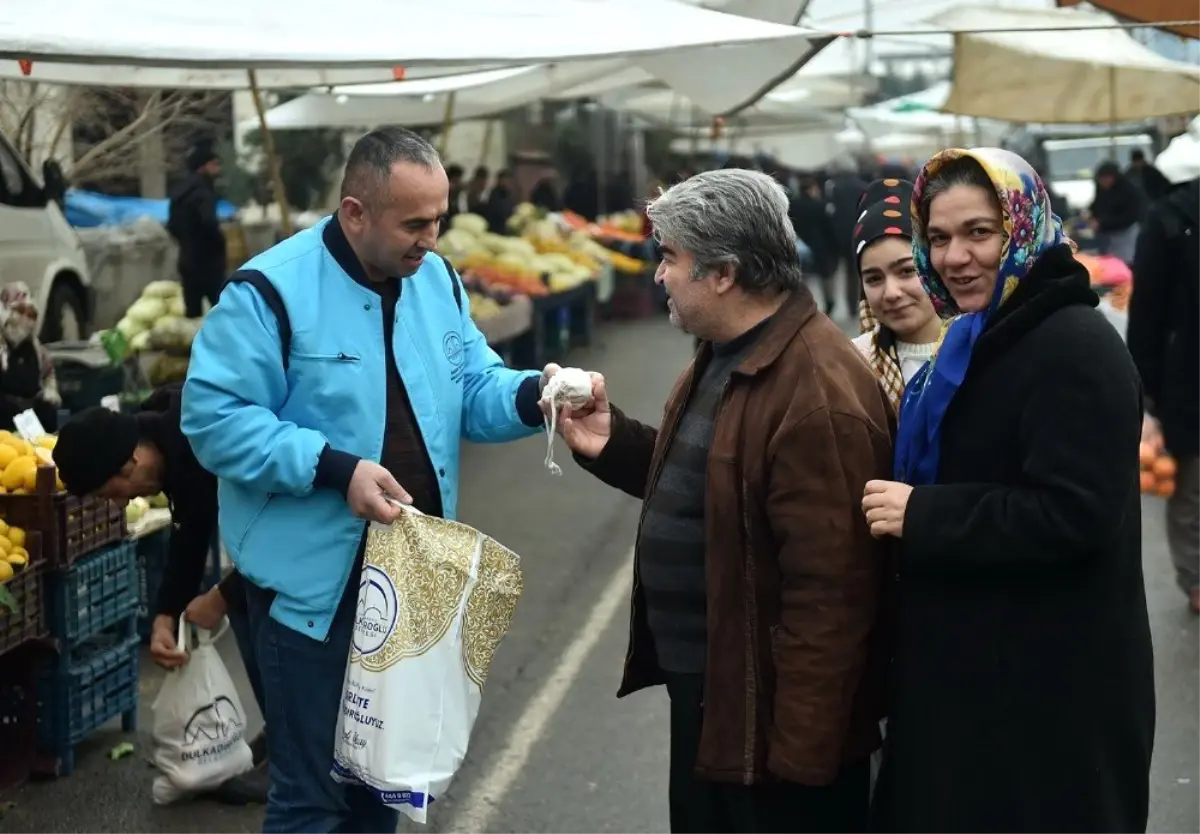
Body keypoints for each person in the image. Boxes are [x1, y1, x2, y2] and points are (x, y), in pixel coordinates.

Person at [181, 126, 568, 833]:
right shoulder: (268, 291)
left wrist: (535, 395)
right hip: (307, 592)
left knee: (383, 783)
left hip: (404, 581)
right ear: (354, 213)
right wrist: (335, 470)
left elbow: (471, 384)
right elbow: (213, 419)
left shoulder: (437, 281)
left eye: (440, 219)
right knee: (311, 797)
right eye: (414, 223)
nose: (432, 238)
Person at [553, 168, 893, 834]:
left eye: (670, 258)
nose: (658, 275)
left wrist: (799, 762)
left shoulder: (813, 392)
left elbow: (832, 597)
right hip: (724, 698)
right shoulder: (728, 352)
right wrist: (611, 441)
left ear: (724, 273)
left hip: (772, 741)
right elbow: (723, 484)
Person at [863, 148, 1155, 834]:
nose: (954, 257)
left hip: (1051, 694)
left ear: (1023, 228)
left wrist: (924, 513)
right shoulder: (978, 334)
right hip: (983, 680)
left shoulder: (1073, 346)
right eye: (937, 238)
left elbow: (1074, 514)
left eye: (979, 233)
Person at [53, 385, 269, 804]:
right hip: (273, 541)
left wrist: (221, 596)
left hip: (315, 531)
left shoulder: (206, 444)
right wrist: (165, 615)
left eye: (111, 493)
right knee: (247, 611)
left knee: (264, 613)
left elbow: (276, 534)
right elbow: (188, 532)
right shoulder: (169, 451)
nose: (117, 505)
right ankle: (283, 735)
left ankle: (296, 763)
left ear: (130, 462)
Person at [1127, 172, 1200, 612]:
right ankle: (1195, 577)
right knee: (1191, 485)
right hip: (1188, 373)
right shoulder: (1171, 218)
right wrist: (1144, 386)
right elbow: (1148, 308)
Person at [850, 178, 942, 412]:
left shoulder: (978, 347)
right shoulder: (851, 365)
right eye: (874, 278)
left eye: (906, 271)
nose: (891, 293)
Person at [167, 141, 227, 318]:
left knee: (192, 314)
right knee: (222, 313)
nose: (217, 168)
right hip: (208, 263)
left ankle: (193, 345)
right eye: (214, 164)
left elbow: (172, 226)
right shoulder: (202, 193)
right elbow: (209, 224)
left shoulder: (179, 192)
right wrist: (219, 243)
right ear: (203, 167)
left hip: (187, 260)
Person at [0, 282, 60, 432]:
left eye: (31, 314)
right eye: (19, 311)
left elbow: (48, 376)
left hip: (29, 419)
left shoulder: (38, 351)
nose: (26, 319)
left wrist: (50, 390)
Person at [789, 173, 839, 315]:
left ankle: (805, 304)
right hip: (821, 247)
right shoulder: (821, 205)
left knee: (804, 278)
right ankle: (829, 303)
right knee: (826, 276)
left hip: (800, 247)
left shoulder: (793, 205)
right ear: (811, 189)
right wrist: (834, 249)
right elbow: (829, 228)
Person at [1089, 159, 1144, 264]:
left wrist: (1102, 224)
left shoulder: (1128, 191)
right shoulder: (1102, 189)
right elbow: (1097, 204)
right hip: (1107, 234)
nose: (1104, 182)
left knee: (1126, 261)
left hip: (1126, 232)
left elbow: (1129, 216)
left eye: (1107, 178)